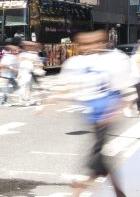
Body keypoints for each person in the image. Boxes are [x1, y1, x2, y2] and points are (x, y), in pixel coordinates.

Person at [54, 30, 131, 197]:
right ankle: (119, 192)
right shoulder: (79, 62)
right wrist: (54, 99)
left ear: (103, 42)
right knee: (100, 158)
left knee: (95, 157)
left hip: (105, 116)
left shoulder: (114, 59)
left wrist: (113, 111)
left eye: (94, 42)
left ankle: (78, 190)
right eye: (84, 44)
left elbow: (123, 89)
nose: (89, 47)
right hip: (92, 115)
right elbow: (68, 84)